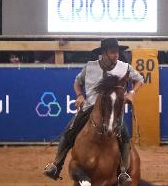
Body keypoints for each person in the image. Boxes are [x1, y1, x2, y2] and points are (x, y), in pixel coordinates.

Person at [43, 38, 144, 183]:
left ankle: (123, 172)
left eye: (117, 52)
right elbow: (77, 82)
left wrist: (131, 93)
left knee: (125, 136)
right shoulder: (90, 67)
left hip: (113, 110)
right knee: (69, 131)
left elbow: (139, 80)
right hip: (90, 108)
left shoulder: (124, 67)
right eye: (112, 52)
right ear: (104, 53)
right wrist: (79, 95)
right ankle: (56, 165)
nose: (116, 55)